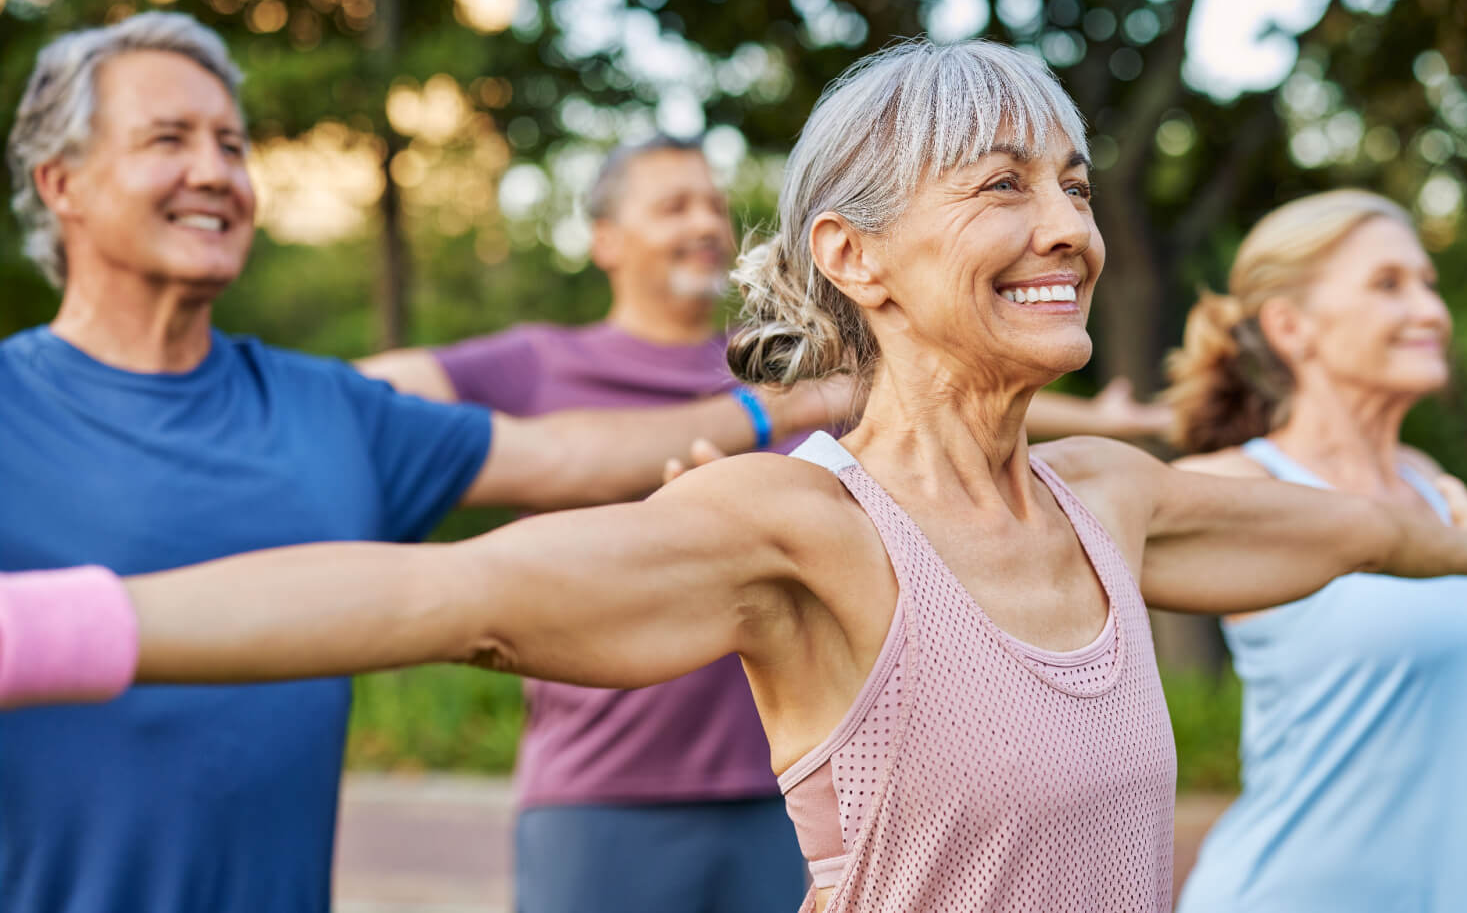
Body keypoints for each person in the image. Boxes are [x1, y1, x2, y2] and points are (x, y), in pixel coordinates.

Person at [4, 41, 1467, 913]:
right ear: (857, 258)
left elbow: (1364, 526)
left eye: (1073, 181)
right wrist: (42, 633)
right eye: (999, 185)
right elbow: (446, 593)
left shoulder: (1111, 493)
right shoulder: (802, 530)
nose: (1068, 225)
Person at [0, 11, 838, 913]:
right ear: (63, 184)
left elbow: (568, 455)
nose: (214, 169)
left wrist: (795, 403)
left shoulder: (330, 412)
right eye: (169, 138)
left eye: (232, 144)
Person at [357, 133, 1172, 913]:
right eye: (674, 207)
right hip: (603, 789)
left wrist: (1102, 414)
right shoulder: (538, 362)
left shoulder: (788, 357)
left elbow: (962, 375)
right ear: (604, 239)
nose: (706, 224)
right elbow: (366, 396)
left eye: (713, 205)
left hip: (786, 791)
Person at [1164, 190, 1467, 913]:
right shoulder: (1236, 485)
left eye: (1429, 283)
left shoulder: (1429, 483)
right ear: (1291, 326)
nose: (1433, 312)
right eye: (1389, 285)